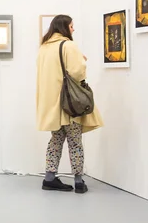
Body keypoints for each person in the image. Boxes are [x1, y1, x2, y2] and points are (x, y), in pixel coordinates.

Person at [36, 15, 104, 194]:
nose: (73, 29)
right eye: (72, 26)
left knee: (56, 140)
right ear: (64, 27)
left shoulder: (44, 47)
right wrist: (82, 60)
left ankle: (49, 177)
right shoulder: (68, 45)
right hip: (69, 103)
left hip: (52, 104)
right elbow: (78, 72)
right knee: (75, 142)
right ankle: (79, 181)